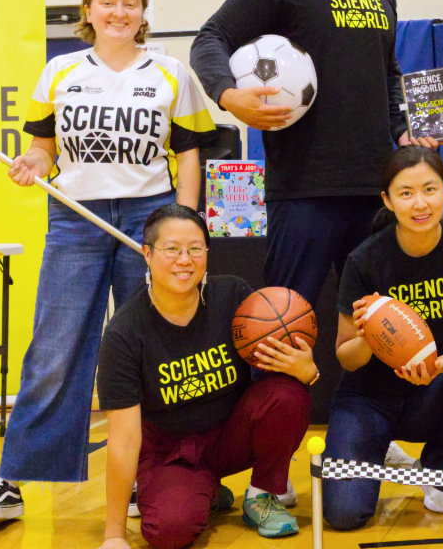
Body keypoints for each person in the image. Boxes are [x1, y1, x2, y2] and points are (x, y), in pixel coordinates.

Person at [0, 0, 217, 530]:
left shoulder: (172, 73)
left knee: (153, 347)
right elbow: (43, 149)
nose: (118, 12)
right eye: (107, 2)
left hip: (148, 220)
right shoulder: (59, 71)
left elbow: (187, 155)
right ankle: (13, 478)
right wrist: (33, 164)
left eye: (130, 3)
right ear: (88, 11)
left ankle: (148, 473)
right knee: (54, 347)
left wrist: (183, 226)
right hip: (75, 220)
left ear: (142, 12)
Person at [190, 0, 437, 312]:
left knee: (377, 324)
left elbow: (387, 74)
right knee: (285, 320)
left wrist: (403, 129)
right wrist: (228, 94)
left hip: (375, 190)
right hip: (304, 189)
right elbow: (211, 37)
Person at [95, 204, 313, 548]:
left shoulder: (233, 296)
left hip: (230, 436)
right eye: (172, 249)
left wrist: (308, 371)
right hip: (171, 450)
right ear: (147, 254)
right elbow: (123, 441)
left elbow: (282, 379)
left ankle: (261, 495)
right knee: (169, 532)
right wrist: (113, 536)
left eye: (195, 248)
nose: (185, 260)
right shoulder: (124, 333)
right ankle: (205, 489)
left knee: (288, 394)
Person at [323, 147, 443, 529]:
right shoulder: (364, 260)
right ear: (388, 200)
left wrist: (434, 366)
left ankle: (439, 472)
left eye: (429, 189)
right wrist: (370, 336)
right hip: (368, 399)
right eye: (405, 193)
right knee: (344, 515)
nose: (419, 203)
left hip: (432, 392)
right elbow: (345, 357)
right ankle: (371, 447)